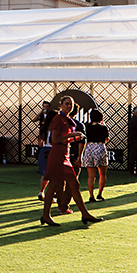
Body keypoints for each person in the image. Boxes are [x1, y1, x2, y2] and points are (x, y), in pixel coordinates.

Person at [40, 95, 103, 227]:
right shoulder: (58, 119)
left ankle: (83, 214)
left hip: (65, 154)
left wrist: (73, 138)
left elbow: (63, 139)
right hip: (58, 154)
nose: (69, 106)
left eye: (71, 104)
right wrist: (72, 135)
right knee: (56, 185)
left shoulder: (67, 120)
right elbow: (54, 140)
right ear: (61, 105)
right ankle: (48, 215)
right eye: (67, 104)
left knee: (71, 184)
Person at [82, 109, 109, 202]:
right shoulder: (103, 128)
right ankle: (100, 194)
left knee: (91, 176)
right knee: (102, 174)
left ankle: (91, 195)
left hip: (89, 148)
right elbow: (106, 139)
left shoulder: (87, 127)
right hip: (100, 148)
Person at [37, 109, 57, 200]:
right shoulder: (55, 128)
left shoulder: (44, 128)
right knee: (54, 174)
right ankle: (51, 194)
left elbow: (40, 142)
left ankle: (41, 192)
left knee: (45, 173)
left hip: (44, 149)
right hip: (53, 150)